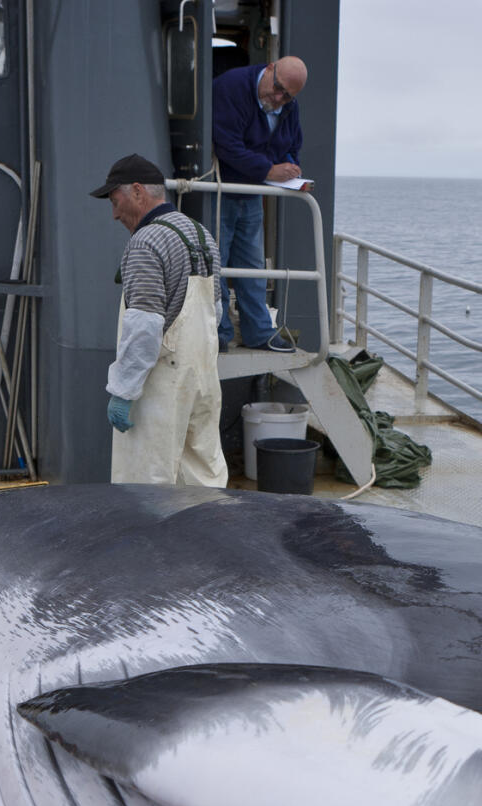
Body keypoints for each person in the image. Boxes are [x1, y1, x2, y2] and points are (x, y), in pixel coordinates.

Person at [90, 154, 229, 487]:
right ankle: (208, 539)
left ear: (137, 191)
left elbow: (144, 325)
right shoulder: (201, 234)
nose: (114, 214)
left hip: (161, 383)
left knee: (147, 486)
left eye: (115, 200)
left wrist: (124, 391)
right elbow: (217, 310)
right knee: (202, 479)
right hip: (204, 376)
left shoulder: (145, 242)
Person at [211, 56, 309, 353]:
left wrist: (291, 169)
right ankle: (218, 333)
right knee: (217, 266)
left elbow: (292, 145)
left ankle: (259, 333)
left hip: (252, 192)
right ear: (269, 68)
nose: (278, 98)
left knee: (252, 269)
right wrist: (269, 170)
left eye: (287, 96)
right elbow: (226, 144)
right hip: (220, 190)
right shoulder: (231, 87)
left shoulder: (288, 105)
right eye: (277, 88)